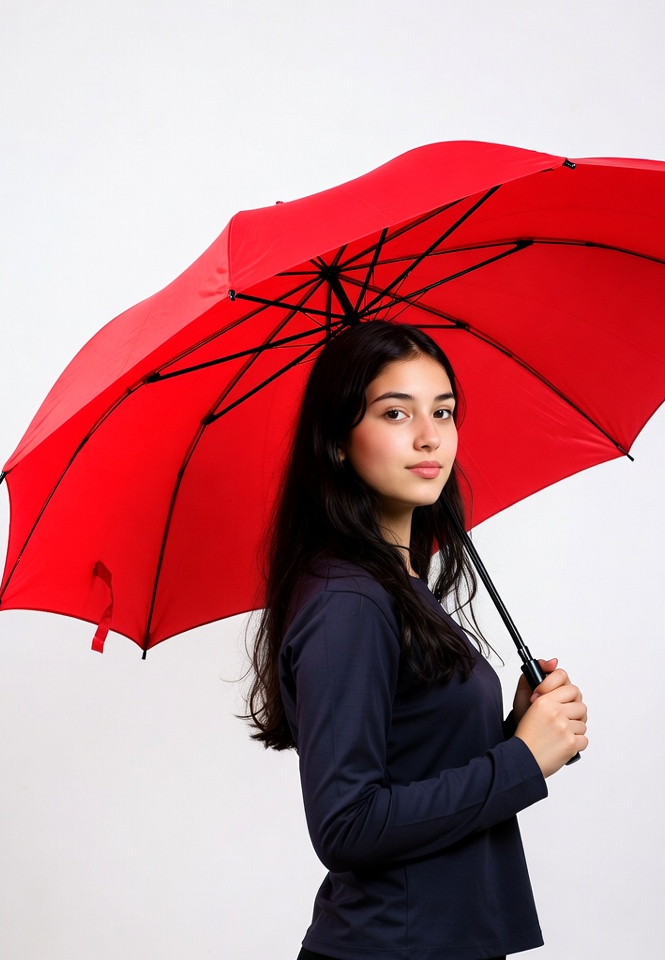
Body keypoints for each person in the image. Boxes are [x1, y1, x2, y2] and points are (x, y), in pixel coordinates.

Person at [244, 321, 588, 960]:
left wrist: (522, 728)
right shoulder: (348, 600)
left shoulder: (397, 584)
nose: (430, 436)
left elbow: (420, 759)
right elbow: (347, 826)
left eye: (444, 411)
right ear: (339, 441)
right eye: (395, 412)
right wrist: (520, 761)